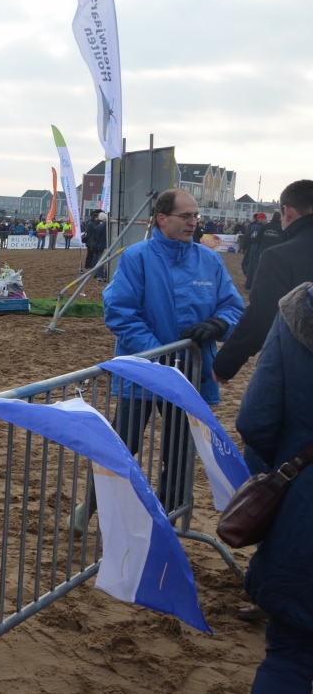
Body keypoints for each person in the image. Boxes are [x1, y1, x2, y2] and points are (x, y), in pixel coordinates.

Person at [99, 188, 244, 511]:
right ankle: (95, 506)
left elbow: (233, 306)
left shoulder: (209, 259)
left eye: (196, 216)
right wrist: (162, 355)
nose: (194, 222)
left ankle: (168, 518)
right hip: (143, 372)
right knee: (123, 444)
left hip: (190, 375)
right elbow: (120, 312)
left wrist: (219, 324)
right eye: (186, 216)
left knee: (179, 453)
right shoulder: (137, 257)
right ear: (162, 219)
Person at [237, 282, 313, 694]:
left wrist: (284, 474)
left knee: (290, 653)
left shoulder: (300, 309)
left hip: (306, 508)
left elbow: (257, 420)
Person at [214, 180, 313, 385]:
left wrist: (225, 364)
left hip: (298, 363)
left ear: (287, 211)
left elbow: (261, 316)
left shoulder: (281, 256)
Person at [246, 212, 284, 291]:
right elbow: (282, 240)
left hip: (262, 249)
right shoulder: (281, 228)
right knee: (271, 269)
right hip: (274, 250)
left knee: (259, 268)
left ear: (272, 217)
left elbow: (258, 238)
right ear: (280, 218)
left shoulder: (265, 226)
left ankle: (250, 285)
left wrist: (260, 247)